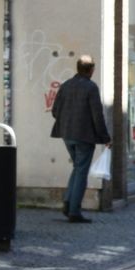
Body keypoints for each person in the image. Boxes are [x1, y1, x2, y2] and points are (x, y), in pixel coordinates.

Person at [51, 55, 111, 224]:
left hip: (66, 134)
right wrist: (106, 137)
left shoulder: (66, 85)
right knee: (81, 171)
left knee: (77, 168)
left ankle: (68, 203)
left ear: (78, 68)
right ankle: (74, 211)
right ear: (91, 70)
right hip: (84, 135)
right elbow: (97, 115)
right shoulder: (91, 88)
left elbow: (55, 111)